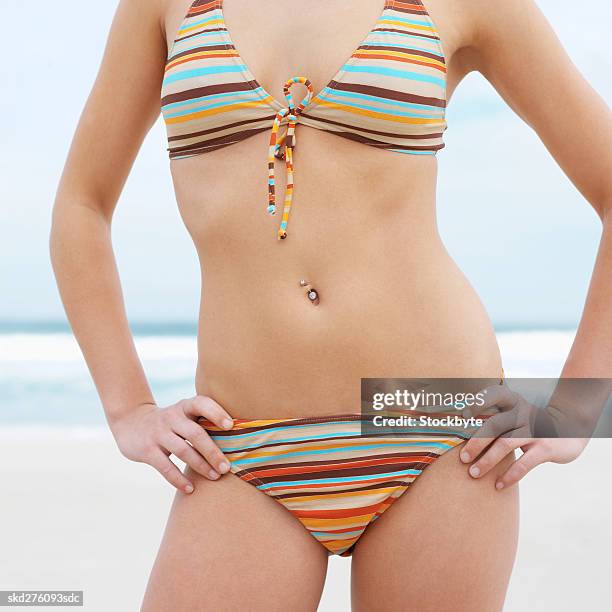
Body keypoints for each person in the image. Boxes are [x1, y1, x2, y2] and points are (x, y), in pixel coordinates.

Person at [50, 0, 611, 610]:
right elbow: (82, 207)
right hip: (240, 440)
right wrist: (128, 406)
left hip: (433, 424)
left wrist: (577, 406)